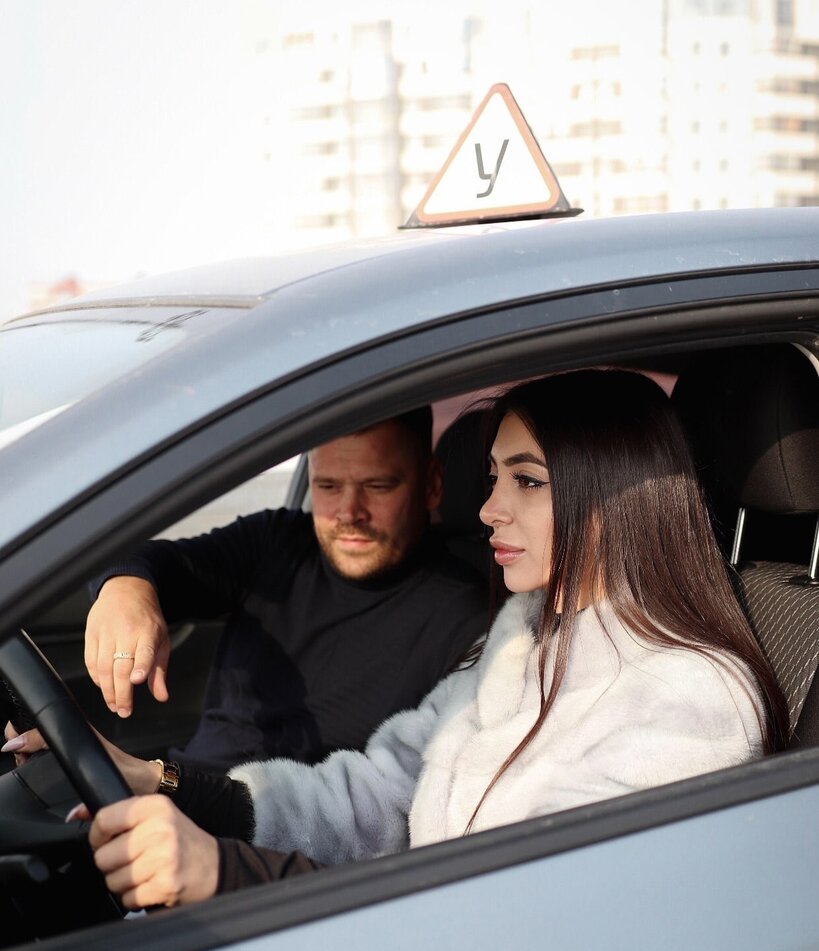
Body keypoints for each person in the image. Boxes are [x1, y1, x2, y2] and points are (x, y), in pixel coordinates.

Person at [4, 370, 789, 911]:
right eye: (493, 478)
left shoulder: (686, 700)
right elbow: (376, 798)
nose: (488, 511)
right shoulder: (526, 633)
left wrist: (231, 874)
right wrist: (167, 782)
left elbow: (523, 922)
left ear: (611, 496)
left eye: (525, 481)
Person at [82, 408, 488, 772]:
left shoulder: (466, 621)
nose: (349, 512)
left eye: (377, 486)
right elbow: (159, 561)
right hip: (174, 795)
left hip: (283, 824)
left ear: (432, 485)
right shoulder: (278, 543)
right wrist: (125, 589)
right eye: (328, 487)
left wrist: (162, 785)